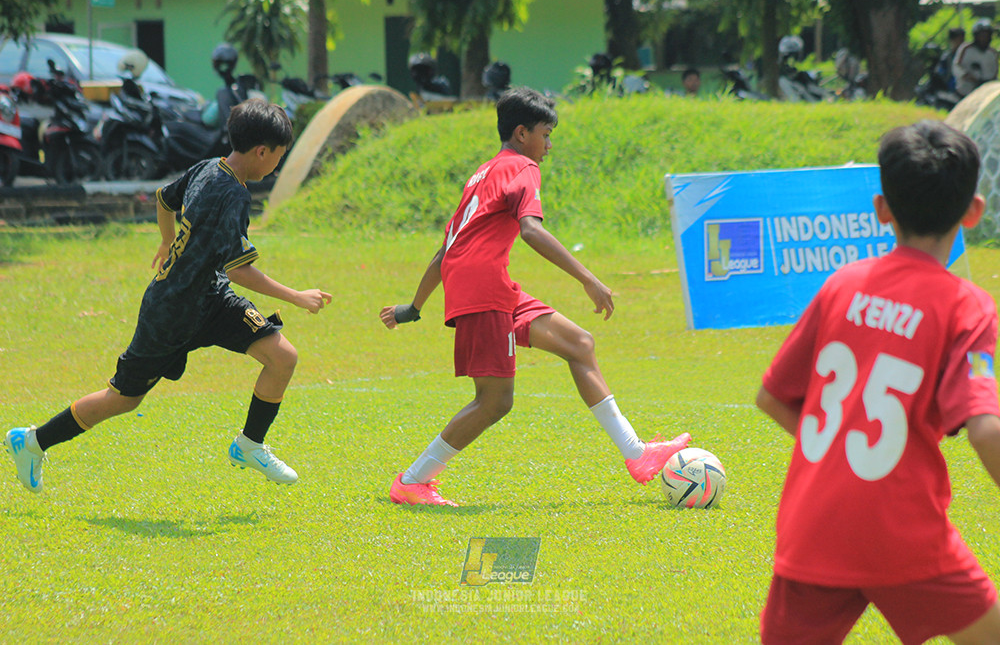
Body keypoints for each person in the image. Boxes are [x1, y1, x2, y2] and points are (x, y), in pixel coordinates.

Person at [379, 86, 690, 507]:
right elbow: (531, 229)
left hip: (490, 284)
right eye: (545, 134)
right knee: (494, 401)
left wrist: (413, 308)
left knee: (579, 344)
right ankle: (412, 481)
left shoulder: (482, 174)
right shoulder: (523, 168)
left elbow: (445, 249)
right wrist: (588, 279)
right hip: (483, 288)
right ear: (522, 133)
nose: (549, 145)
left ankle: (637, 454)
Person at [3, 98, 332, 493]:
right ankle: (32, 442)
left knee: (282, 357)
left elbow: (163, 198)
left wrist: (166, 241)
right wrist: (296, 296)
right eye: (278, 155)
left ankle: (249, 444)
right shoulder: (232, 194)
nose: (277, 163)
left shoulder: (208, 167)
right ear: (262, 151)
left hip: (212, 297)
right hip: (171, 312)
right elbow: (239, 269)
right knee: (123, 398)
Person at [756, 120, 1000, 643]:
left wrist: (839, 455)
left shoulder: (843, 285)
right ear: (973, 212)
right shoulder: (968, 307)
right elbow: (985, 429)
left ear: (882, 208)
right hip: (903, 530)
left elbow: (773, 396)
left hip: (814, 524)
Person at [953, 19, 998, 97]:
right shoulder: (966, 49)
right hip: (966, 92)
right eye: (981, 36)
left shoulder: (992, 53)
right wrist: (967, 76)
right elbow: (956, 66)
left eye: (986, 36)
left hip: (986, 93)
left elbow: (994, 73)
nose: (984, 38)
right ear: (976, 36)